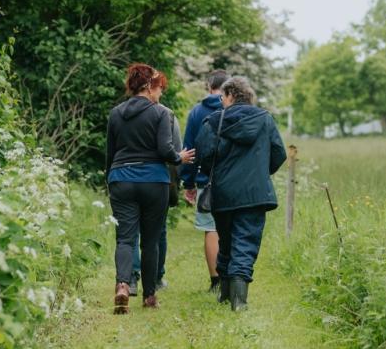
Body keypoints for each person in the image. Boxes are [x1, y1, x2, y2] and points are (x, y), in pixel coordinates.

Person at [105, 63, 194, 313]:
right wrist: (180, 157)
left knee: (125, 238)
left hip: (121, 178)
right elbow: (166, 150)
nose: (160, 93)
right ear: (147, 86)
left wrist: (110, 179)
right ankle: (149, 296)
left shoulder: (115, 113)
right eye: (158, 87)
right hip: (154, 181)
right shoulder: (161, 113)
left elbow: (110, 154)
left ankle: (123, 285)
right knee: (151, 241)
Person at [195, 75, 285, 311]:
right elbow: (279, 153)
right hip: (255, 193)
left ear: (231, 95)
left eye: (223, 97)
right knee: (246, 242)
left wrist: (213, 173)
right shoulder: (265, 119)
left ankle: (226, 294)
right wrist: (259, 172)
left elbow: (203, 155)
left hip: (223, 194)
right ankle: (238, 302)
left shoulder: (214, 121)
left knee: (226, 242)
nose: (221, 101)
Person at [180, 70, 229, 291]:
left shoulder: (197, 112)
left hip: (206, 180)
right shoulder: (235, 108)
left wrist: (188, 183)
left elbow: (189, 150)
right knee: (232, 227)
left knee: (211, 229)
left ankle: (215, 281)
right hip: (232, 178)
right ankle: (233, 277)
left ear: (209, 87)